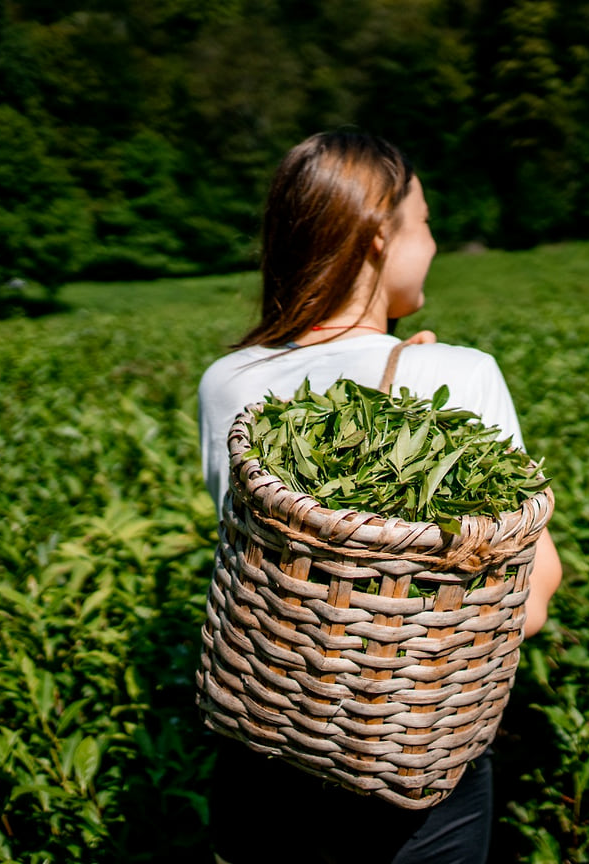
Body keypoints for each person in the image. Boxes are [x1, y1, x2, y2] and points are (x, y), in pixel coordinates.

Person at [197, 129, 563, 864]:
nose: (431, 244)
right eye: (423, 224)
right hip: (415, 766)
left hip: (266, 752)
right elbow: (530, 596)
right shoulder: (460, 375)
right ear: (375, 236)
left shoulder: (226, 379)